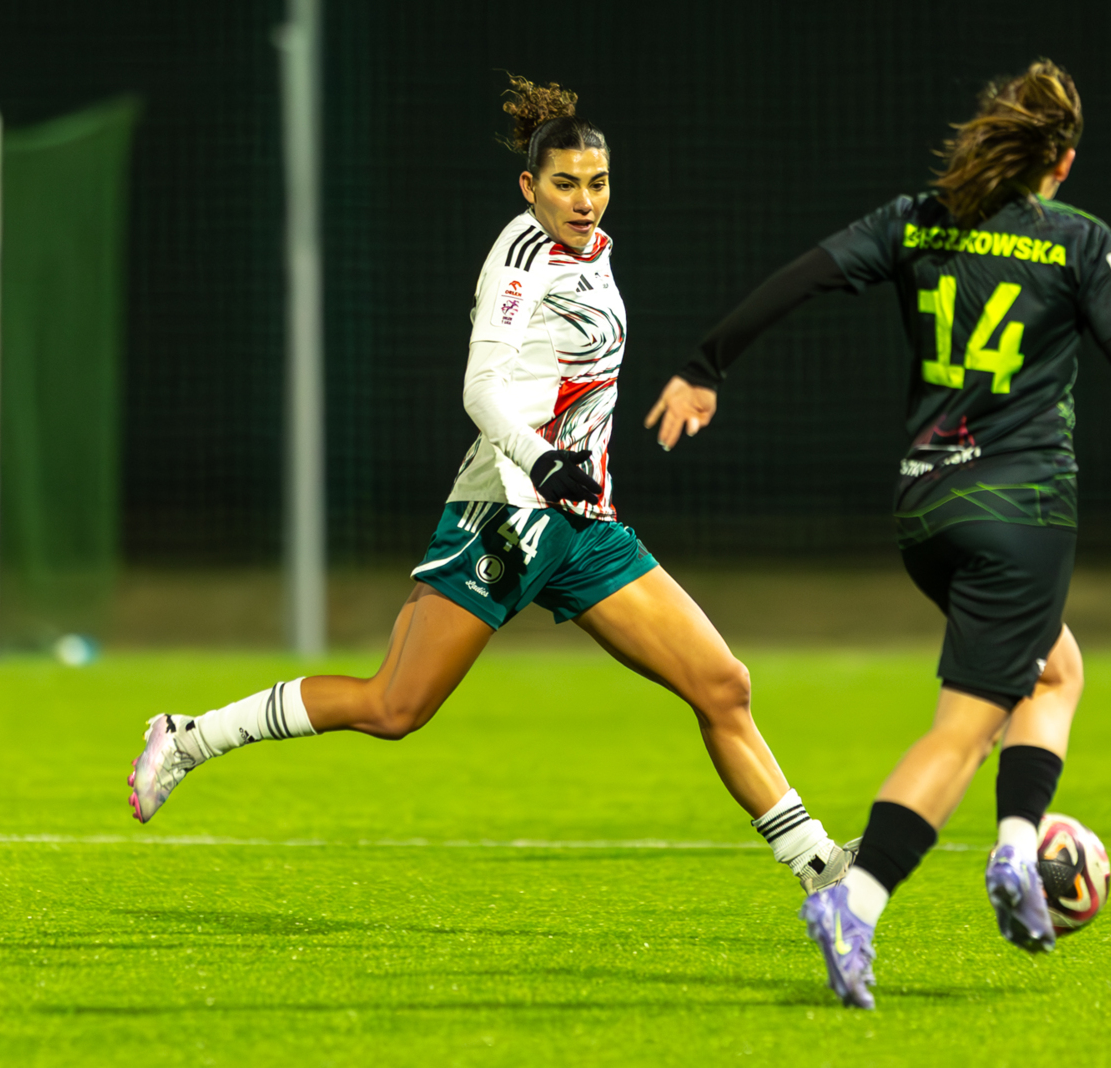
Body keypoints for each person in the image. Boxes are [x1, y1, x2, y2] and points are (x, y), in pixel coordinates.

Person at [127, 76, 854, 893]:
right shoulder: (521, 259)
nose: (585, 201)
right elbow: (480, 389)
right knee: (394, 708)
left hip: (584, 525)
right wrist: (543, 461)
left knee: (723, 683)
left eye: (598, 183)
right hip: (508, 511)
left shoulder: (597, 252)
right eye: (566, 185)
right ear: (529, 186)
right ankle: (190, 736)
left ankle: (820, 867)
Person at [646, 59, 1111, 1008]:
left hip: (926, 511)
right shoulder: (1079, 240)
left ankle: (1017, 849)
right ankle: (856, 900)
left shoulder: (915, 216)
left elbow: (801, 278)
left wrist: (703, 365)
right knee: (965, 731)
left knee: (1054, 671)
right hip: (1024, 512)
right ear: (1060, 162)